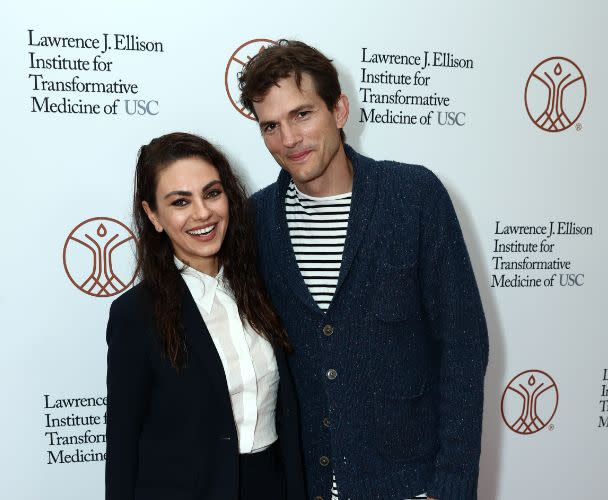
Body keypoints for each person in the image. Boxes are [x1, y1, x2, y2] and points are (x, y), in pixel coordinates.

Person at [238, 40, 489, 500]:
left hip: (409, 484)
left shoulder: (413, 196)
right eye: (270, 126)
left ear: (339, 110)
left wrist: (449, 486)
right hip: (306, 482)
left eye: (301, 115)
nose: (288, 139)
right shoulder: (256, 222)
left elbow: (463, 347)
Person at [105, 132, 307, 500]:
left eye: (212, 193)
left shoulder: (265, 288)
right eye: (180, 201)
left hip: (272, 486)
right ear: (154, 215)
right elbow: (122, 444)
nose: (202, 213)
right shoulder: (135, 314)